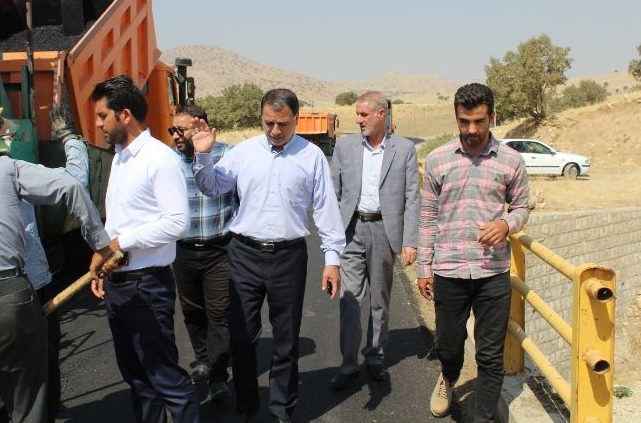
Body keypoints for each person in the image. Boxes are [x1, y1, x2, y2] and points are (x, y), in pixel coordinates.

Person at [0, 116, 112, 423]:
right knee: (29, 405)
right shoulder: (4, 169)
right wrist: (101, 247)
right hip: (12, 301)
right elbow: (71, 184)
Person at [191, 88, 346, 423]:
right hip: (243, 255)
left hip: (288, 259)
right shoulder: (244, 152)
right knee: (241, 339)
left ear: (296, 120)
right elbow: (211, 187)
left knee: (286, 341)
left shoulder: (312, 157)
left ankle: (281, 411)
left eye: (283, 124)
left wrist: (332, 260)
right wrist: (203, 157)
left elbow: (326, 209)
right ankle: (247, 408)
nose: (275, 131)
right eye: (268, 123)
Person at [89, 75, 200, 423]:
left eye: (102, 116)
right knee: (138, 380)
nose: (98, 123)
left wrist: (121, 243)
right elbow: (119, 220)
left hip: (146, 288)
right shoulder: (120, 158)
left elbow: (177, 223)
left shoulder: (158, 159)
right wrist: (103, 260)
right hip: (120, 285)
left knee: (165, 379)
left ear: (125, 115)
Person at [417, 83, 529, 421]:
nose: (472, 130)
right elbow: (428, 216)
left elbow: (522, 206)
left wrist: (507, 223)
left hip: (492, 271)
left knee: (490, 355)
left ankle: (483, 417)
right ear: (456, 118)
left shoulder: (511, 160)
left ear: (492, 116)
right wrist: (424, 267)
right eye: (464, 121)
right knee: (448, 346)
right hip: (448, 270)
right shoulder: (437, 160)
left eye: (479, 121)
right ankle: (448, 377)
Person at [329, 91, 421, 387]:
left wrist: (410, 241)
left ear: (381, 114)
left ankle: (375, 358)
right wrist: (331, 237)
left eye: (363, 114)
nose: (358, 120)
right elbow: (333, 192)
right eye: (357, 114)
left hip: (384, 230)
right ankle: (348, 363)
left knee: (380, 299)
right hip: (352, 230)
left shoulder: (404, 149)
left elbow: (412, 197)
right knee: (350, 300)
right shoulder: (344, 147)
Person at [170, 104, 238, 401]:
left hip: (219, 250)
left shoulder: (228, 155)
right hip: (182, 252)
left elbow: (243, 197)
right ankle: (203, 360)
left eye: (180, 130)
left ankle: (219, 376)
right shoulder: (169, 161)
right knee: (192, 310)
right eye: (172, 130)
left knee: (220, 312)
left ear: (200, 127)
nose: (175, 136)